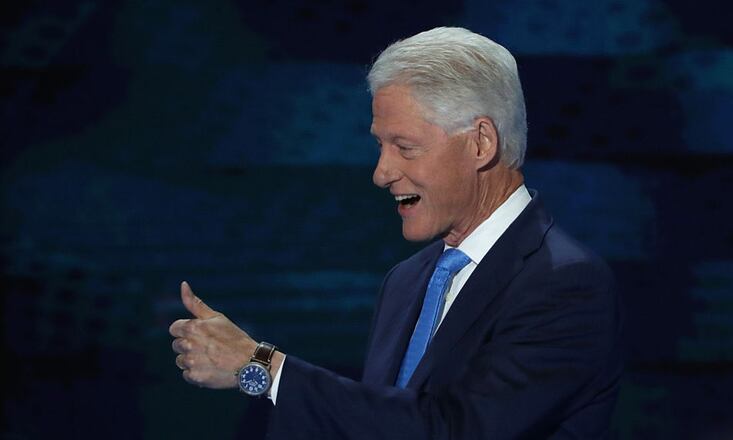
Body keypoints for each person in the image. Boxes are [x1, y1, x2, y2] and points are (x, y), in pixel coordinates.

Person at [169, 27, 622, 439]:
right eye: (380, 146)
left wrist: (264, 366)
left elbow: (455, 429)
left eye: (405, 147)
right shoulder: (406, 281)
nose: (381, 173)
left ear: (481, 143)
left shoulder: (564, 282)